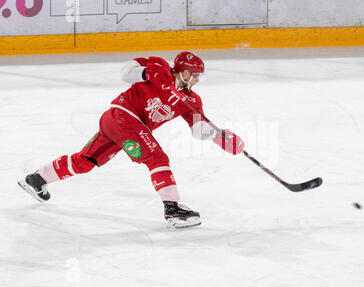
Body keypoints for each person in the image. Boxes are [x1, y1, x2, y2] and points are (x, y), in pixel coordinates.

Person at [18, 51, 245, 229]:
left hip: (123, 128)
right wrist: (148, 74)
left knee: (86, 161)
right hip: (121, 116)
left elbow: (199, 129)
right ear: (184, 72)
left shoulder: (191, 99)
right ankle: (172, 208)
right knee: (157, 157)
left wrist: (220, 136)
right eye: (194, 76)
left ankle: (36, 179)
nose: (196, 81)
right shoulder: (161, 68)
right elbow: (126, 72)